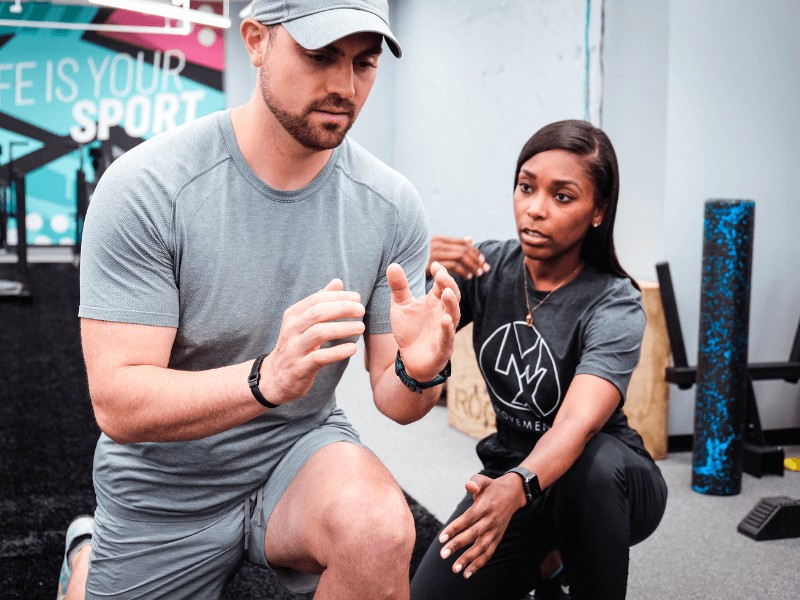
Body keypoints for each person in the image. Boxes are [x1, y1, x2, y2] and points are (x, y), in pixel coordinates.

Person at [57, 1, 460, 599]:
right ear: (255, 41)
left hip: (297, 451)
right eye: (321, 56)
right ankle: (86, 560)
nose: (344, 86)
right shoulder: (148, 187)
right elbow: (119, 403)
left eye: (364, 64)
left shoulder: (391, 204)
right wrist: (267, 378)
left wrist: (422, 372)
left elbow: (395, 403)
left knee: (379, 530)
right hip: (165, 482)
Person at [411, 120, 668, 600]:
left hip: (605, 482)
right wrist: (411, 263)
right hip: (512, 474)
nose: (535, 209)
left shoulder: (614, 302)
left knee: (590, 465)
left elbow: (574, 425)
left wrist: (516, 485)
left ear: (598, 211)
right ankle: (548, 561)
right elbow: (406, 339)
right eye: (526, 187)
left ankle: (568, 559)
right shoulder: (486, 268)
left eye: (562, 196)